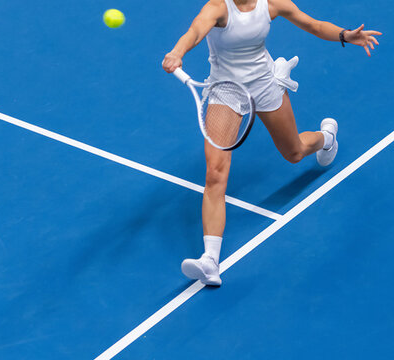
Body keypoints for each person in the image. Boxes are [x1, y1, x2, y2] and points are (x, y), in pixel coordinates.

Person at [162, 0, 381, 286]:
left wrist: (344, 34)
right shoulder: (217, 8)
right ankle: (210, 261)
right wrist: (177, 52)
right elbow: (194, 32)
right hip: (225, 93)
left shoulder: (273, 3)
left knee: (295, 152)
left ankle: (327, 138)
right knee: (215, 174)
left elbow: (313, 25)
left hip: (265, 85)